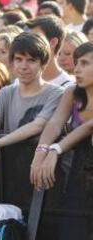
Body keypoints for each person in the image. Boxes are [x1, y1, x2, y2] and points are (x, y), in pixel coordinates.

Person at [0, 32, 64, 178]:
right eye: (19, 59)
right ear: (12, 62)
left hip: (40, 172)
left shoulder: (57, 93)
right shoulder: (6, 92)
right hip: (9, 172)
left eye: (31, 60)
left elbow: (37, 125)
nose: (23, 66)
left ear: (43, 63)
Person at [31, 42, 93, 189]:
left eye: (84, 63)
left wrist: (55, 150)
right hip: (78, 172)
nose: (77, 69)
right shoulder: (72, 92)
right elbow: (55, 123)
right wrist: (41, 151)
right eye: (77, 63)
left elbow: (89, 127)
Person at [28, 15, 75, 88]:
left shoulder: (69, 87)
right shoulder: (20, 81)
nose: (30, 43)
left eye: (36, 38)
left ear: (52, 43)